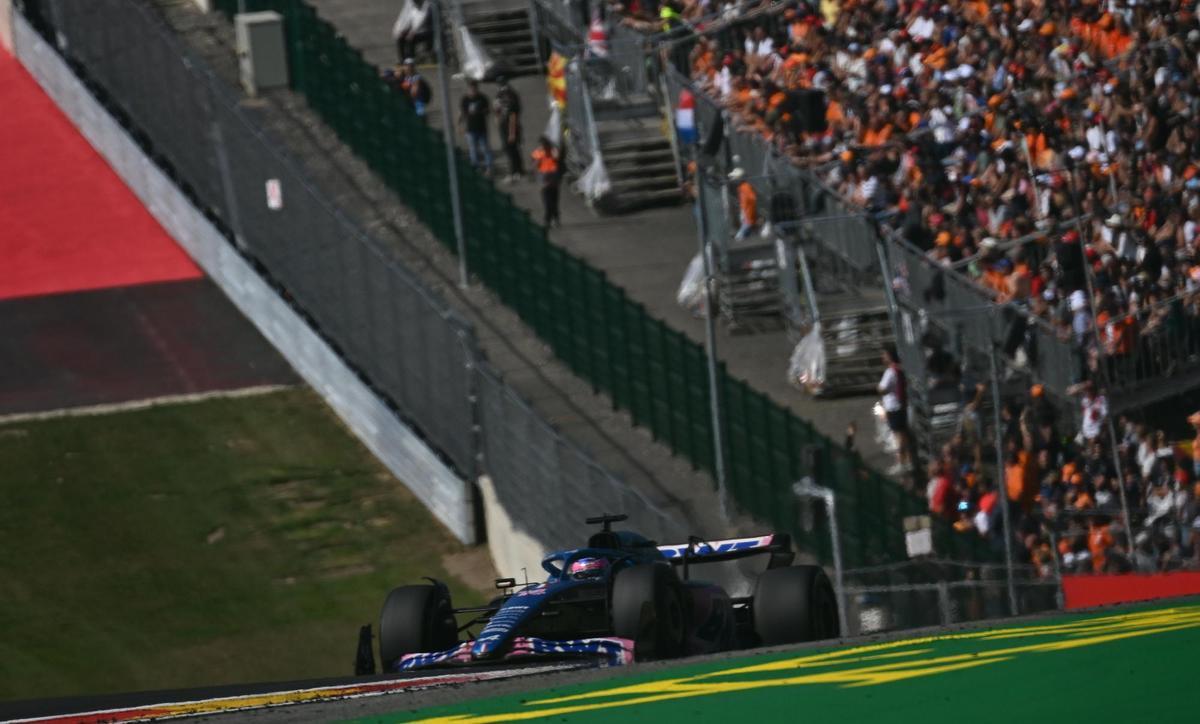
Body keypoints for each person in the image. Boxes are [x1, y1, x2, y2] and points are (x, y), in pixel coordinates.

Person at [878, 345, 911, 475]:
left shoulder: (890, 372)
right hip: (900, 405)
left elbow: (882, 388)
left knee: (898, 436)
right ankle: (907, 460)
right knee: (903, 434)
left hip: (893, 406)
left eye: (884, 354)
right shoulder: (899, 370)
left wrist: (879, 388)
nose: (882, 357)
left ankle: (901, 462)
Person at [494, 76, 524, 182]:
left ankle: (514, 172)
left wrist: (512, 132)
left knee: (511, 150)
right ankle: (518, 171)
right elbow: (496, 110)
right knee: (512, 149)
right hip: (504, 125)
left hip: (510, 125)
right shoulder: (500, 94)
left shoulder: (510, 95)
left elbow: (513, 115)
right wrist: (497, 120)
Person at [460, 80, 492, 174]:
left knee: (485, 148)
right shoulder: (465, 99)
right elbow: (462, 113)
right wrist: (460, 125)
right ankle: (476, 168)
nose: (473, 90)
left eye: (474, 88)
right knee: (473, 150)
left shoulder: (482, 98)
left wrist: (480, 111)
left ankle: (489, 167)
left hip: (482, 128)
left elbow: (488, 111)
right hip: (470, 129)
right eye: (471, 88)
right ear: (468, 89)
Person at [531, 135, 561, 228]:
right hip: (544, 184)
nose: (542, 147)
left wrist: (553, 150)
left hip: (554, 182)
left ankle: (556, 219)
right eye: (541, 145)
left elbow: (557, 158)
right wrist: (537, 161)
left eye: (544, 145)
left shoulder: (553, 152)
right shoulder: (538, 153)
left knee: (554, 203)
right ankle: (547, 221)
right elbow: (533, 165)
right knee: (548, 203)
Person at [391, 0, 431, 65]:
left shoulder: (426, 5)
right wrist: (402, 30)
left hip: (425, 31)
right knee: (400, 38)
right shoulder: (413, 6)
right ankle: (403, 59)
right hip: (414, 31)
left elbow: (422, 19)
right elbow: (408, 18)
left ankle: (411, 60)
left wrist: (412, 32)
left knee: (410, 39)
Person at [729, 167, 757, 240]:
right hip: (746, 218)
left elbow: (752, 199)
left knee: (739, 237)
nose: (733, 179)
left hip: (748, 219)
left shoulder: (745, 187)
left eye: (734, 177)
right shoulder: (741, 188)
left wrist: (747, 212)